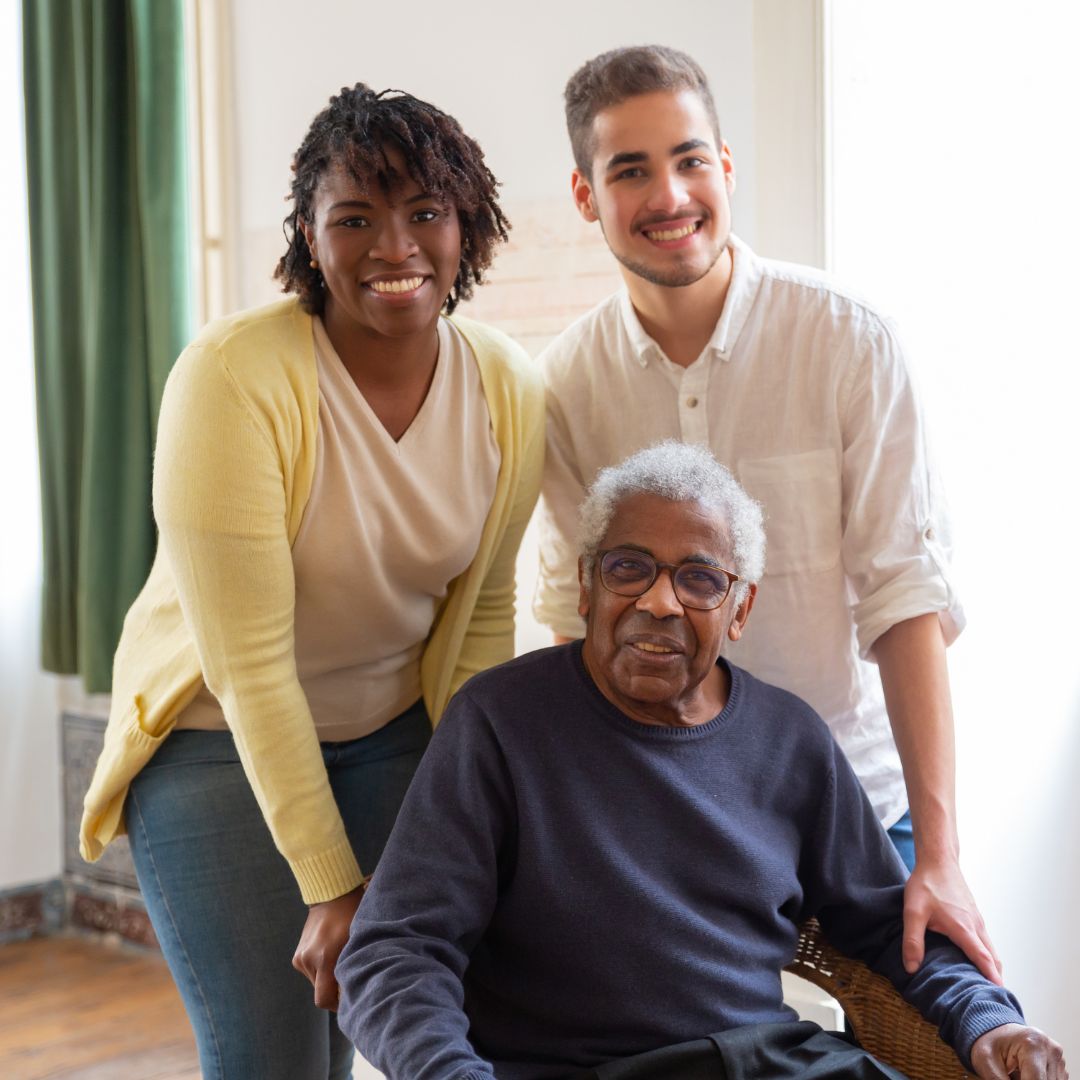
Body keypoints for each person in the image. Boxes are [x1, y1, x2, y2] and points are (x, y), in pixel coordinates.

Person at [336, 442, 1067, 1080]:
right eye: (630, 568)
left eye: (699, 579)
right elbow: (394, 953)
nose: (659, 602)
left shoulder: (792, 741)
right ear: (587, 588)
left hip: (775, 1061)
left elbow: (888, 927)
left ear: (740, 610)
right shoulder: (499, 723)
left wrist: (989, 1021)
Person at [78, 84, 544, 1080]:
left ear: (469, 225)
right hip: (215, 747)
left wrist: (478, 808)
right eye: (356, 217)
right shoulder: (232, 376)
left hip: (394, 736)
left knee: (406, 1027)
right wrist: (330, 882)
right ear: (308, 233)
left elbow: (486, 615)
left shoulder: (509, 386)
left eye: (426, 211)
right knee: (276, 1060)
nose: (395, 245)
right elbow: (247, 666)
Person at [534, 44, 999, 984]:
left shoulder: (849, 342)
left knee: (966, 1019)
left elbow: (906, 599)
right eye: (630, 170)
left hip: (858, 808)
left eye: (690, 158)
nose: (670, 195)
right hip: (656, 817)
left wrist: (941, 858)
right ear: (586, 197)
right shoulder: (562, 389)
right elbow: (569, 624)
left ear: (726, 167)